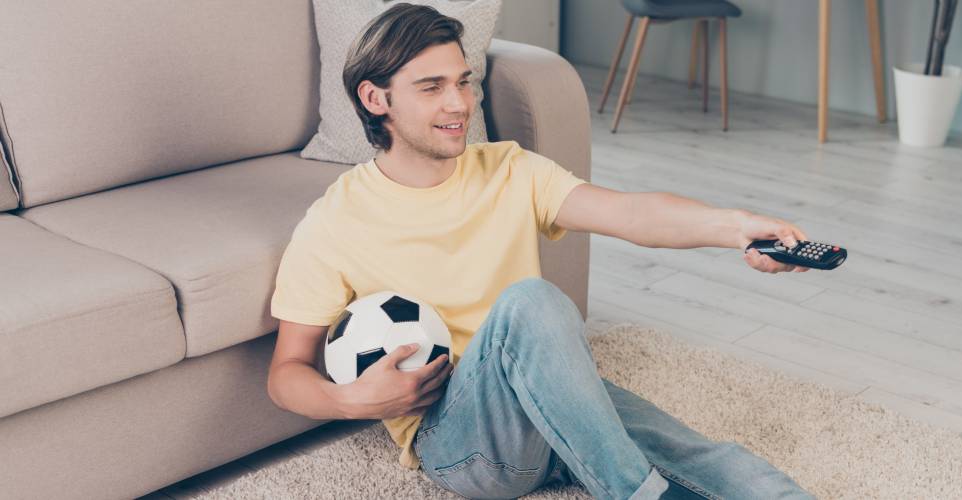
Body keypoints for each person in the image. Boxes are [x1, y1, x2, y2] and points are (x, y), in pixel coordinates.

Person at [266, 3, 815, 499]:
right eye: (431, 87)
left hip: (544, 395)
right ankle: (636, 493)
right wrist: (352, 402)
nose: (460, 103)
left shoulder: (508, 168)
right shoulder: (336, 221)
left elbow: (629, 214)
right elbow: (286, 371)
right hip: (462, 442)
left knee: (704, 456)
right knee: (531, 301)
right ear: (375, 98)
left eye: (465, 81)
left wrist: (738, 226)